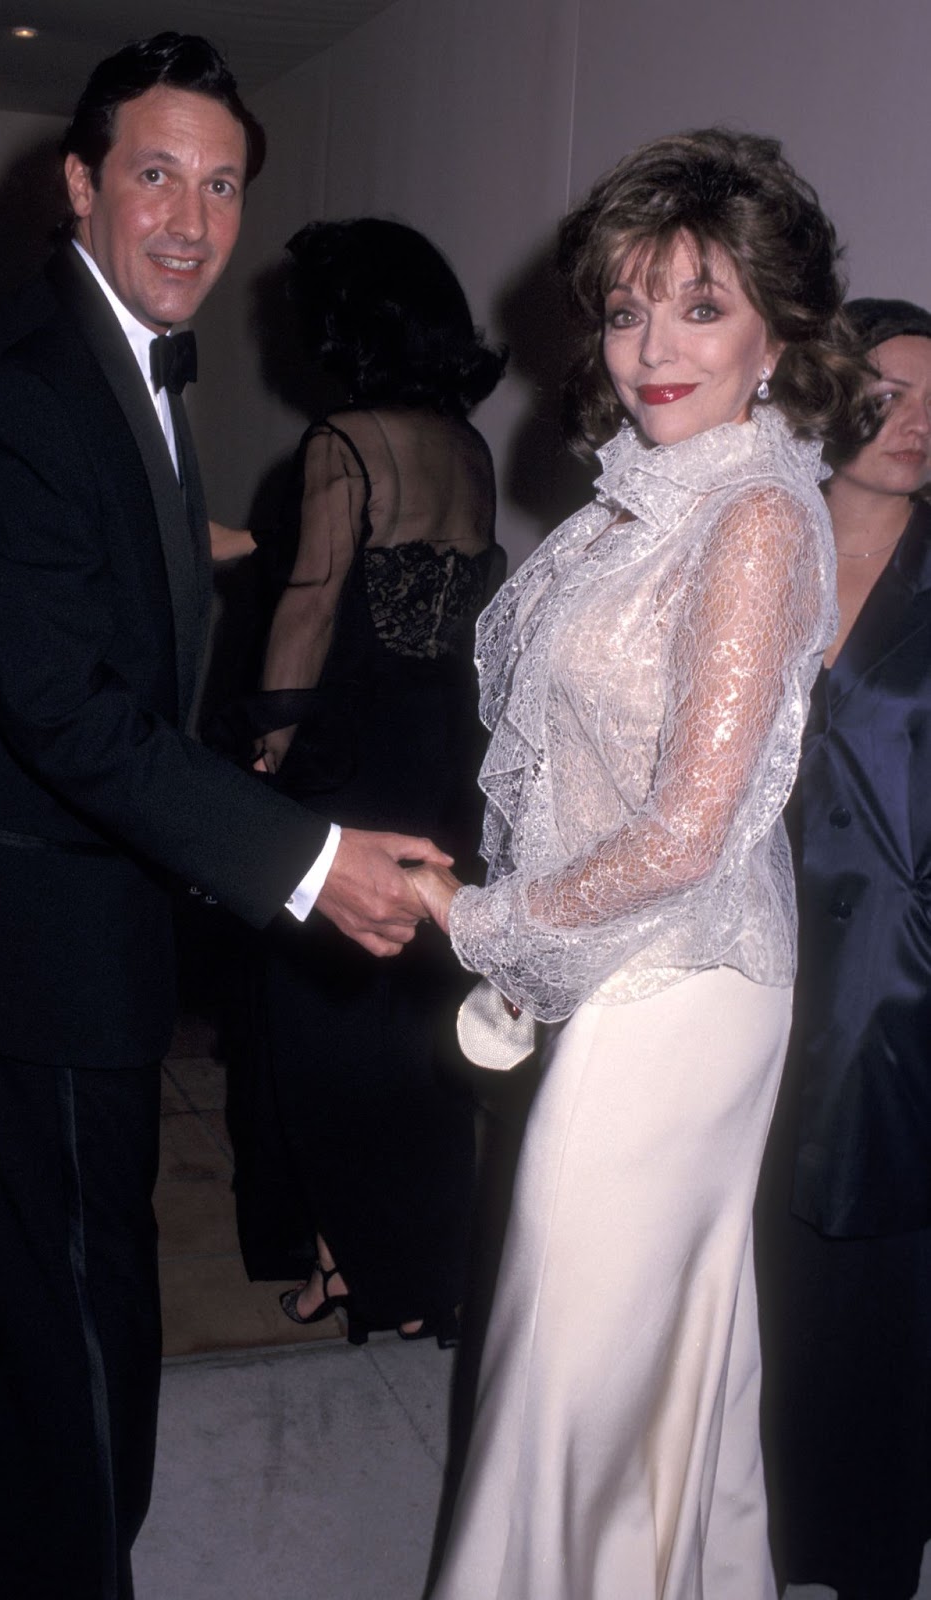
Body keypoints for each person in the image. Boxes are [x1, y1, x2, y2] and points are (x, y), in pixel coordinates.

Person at [0, 34, 448, 1600]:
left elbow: (114, 530)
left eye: (221, 182)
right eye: (155, 174)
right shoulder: (28, 396)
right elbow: (65, 716)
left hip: (7, 904)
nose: (189, 216)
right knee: (76, 1312)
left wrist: (202, 544)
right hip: (16, 935)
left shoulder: (104, 360)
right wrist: (303, 859)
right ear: (84, 184)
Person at [409, 128, 870, 1598]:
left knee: (567, 1346)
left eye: (701, 304)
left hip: (681, 990)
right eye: (626, 307)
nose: (652, 346)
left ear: (780, 333)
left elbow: (686, 830)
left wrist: (485, 919)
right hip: (643, 967)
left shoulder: (743, 517)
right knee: (627, 1344)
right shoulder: (649, 506)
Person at [228, 218, 506, 1345]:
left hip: (345, 756)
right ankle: (399, 1269)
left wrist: (266, 748)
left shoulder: (344, 441)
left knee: (315, 1026)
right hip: (441, 758)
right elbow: (452, 611)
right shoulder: (467, 447)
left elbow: (309, 605)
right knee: (413, 1026)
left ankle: (346, 1258)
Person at [755, 298, 931, 1600]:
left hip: (898, 977)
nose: (916, 420)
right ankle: (765, 1529)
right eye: (888, 391)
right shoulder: (761, 543)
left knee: (884, 1273)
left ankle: (870, 1549)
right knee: (760, 1245)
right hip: (749, 949)